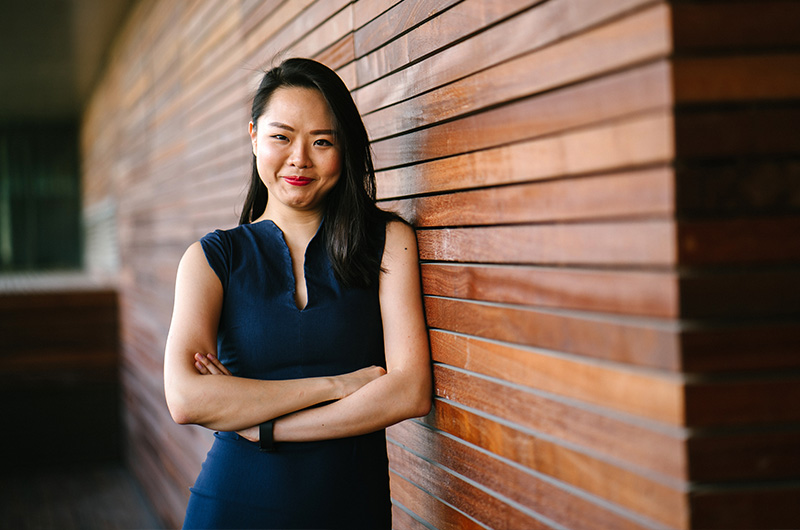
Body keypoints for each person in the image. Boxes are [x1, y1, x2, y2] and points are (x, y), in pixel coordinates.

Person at [163, 57, 432, 529]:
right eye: (281, 137)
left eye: (322, 141)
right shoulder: (211, 259)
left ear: (344, 149)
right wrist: (339, 385)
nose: (299, 159)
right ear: (253, 136)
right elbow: (186, 398)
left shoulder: (388, 241)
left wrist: (263, 426)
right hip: (233, 505)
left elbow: (409, 391)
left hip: (349, 509)